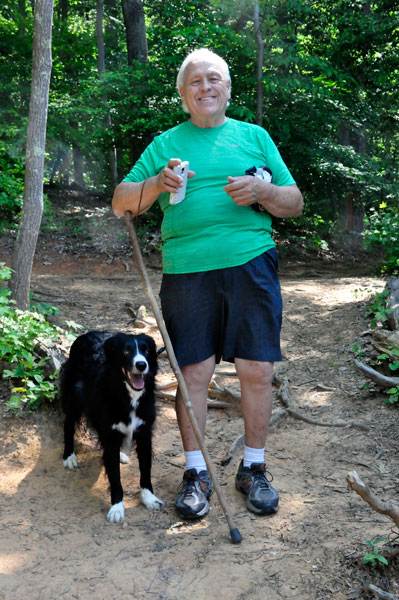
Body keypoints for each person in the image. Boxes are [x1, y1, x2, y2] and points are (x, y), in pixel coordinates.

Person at [112, 48, 303, 520]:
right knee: (194, 373)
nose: (205, 87)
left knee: (257, 371)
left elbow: (294, 202)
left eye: (213, 79)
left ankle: (253, 469)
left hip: (252, 264)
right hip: (187, 271)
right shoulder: (165, 144)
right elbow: (122, 204)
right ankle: (196, 473)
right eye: (194, 82)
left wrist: (263, 192)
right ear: (183, 96)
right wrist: (158, 182)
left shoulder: (254, 137)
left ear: (228, 90)